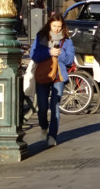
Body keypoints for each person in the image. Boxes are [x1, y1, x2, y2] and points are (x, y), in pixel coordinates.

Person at [30, 12, 75, 148]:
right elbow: (34, 55)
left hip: (58, 76)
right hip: (43, 75)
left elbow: (70, 60)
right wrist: (49, 52)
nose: (56, 29)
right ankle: (44, 127)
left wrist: (60, 54)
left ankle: (52, 136)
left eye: (59, 26)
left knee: (55, 105)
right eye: (54, 26)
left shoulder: (66, 40)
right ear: (49, 24)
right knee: (42, 107)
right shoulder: (42, 37)